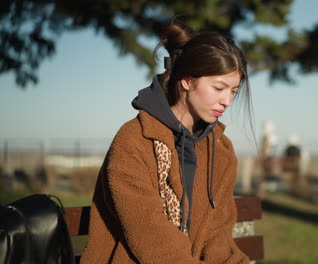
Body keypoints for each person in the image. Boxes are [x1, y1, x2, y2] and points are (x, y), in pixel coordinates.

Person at [81, 18, 253, 263]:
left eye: (233, 91)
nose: (227, 100)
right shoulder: (134, 142)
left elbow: (218, 239)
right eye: (218, 88)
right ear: (186, 80)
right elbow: (152, 240)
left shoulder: (221, 150)